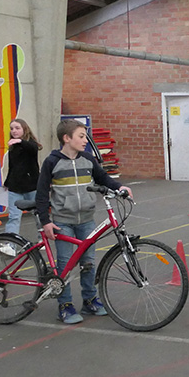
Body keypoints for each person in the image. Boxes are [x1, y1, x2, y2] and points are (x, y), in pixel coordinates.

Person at [36, 120, 132, 324]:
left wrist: (120, 187)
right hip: (63, 221)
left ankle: (90, 300)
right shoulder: (52, 162)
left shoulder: (88, 159)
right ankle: (65, 305)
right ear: (66, 138)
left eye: (85, 136)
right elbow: (42, 194)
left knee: (88, 263)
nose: (85, 140)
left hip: (86, 220)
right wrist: (46, 222)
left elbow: (104, 178)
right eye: (81, 136)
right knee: (65, 264)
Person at [2, 119, 41, 242]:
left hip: (31, 185)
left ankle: (42, 239)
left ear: (24, 129)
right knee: (14, 216)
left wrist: (20, 141)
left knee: (38, 214)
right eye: (12, 128)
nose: (14, 131)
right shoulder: (13, 147)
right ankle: (10, 244)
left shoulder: (29, 145)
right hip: (15, 186)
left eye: (17, 128)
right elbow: (12, 166)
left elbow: (34, 148)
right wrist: (7, 182)